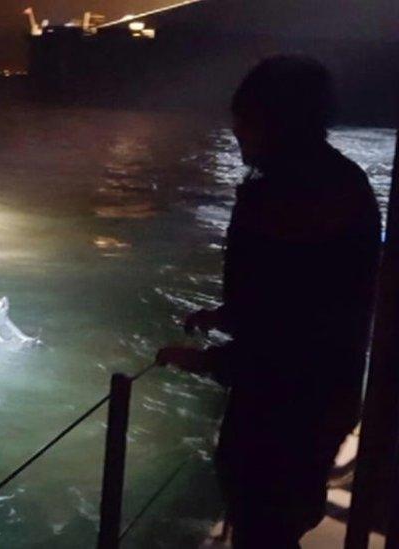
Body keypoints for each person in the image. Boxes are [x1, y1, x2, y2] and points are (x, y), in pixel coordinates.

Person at [155, 55, 381, 548]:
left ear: (272, 120)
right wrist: (226, 315)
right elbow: (318, 292)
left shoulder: (278, 198)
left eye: (245, 117)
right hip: (330, 395)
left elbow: (289, 328)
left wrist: (206, 360)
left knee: (262, 524)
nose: (236, 131)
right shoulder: (346, 181)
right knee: (284, 520)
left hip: (282, 409)